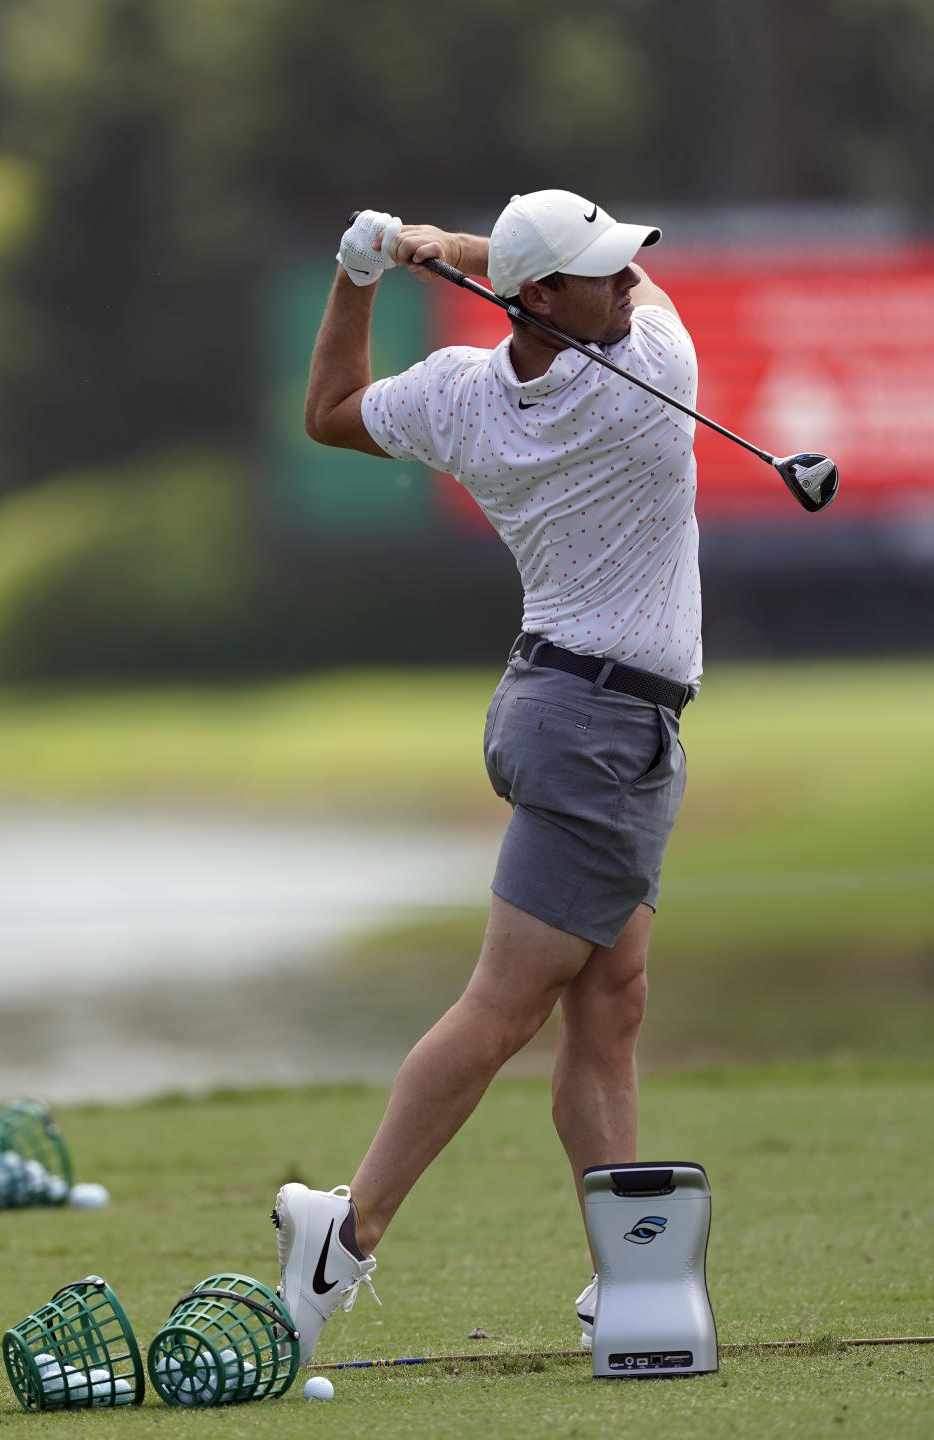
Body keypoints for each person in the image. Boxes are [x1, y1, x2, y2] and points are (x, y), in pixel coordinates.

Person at [273, 190, 701, 1365]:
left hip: (572, 713)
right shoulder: (650, 372)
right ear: (540, 299)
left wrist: (364, 269)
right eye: (599, 272)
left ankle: (630, 1277)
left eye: (623, 268)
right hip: (600, 732)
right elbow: (631, 297)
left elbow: (328, 412)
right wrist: (437, 244)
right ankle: (342, 1235)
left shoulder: (461, 393)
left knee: (609, 1005)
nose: (626, 283)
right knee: (505, 1006)